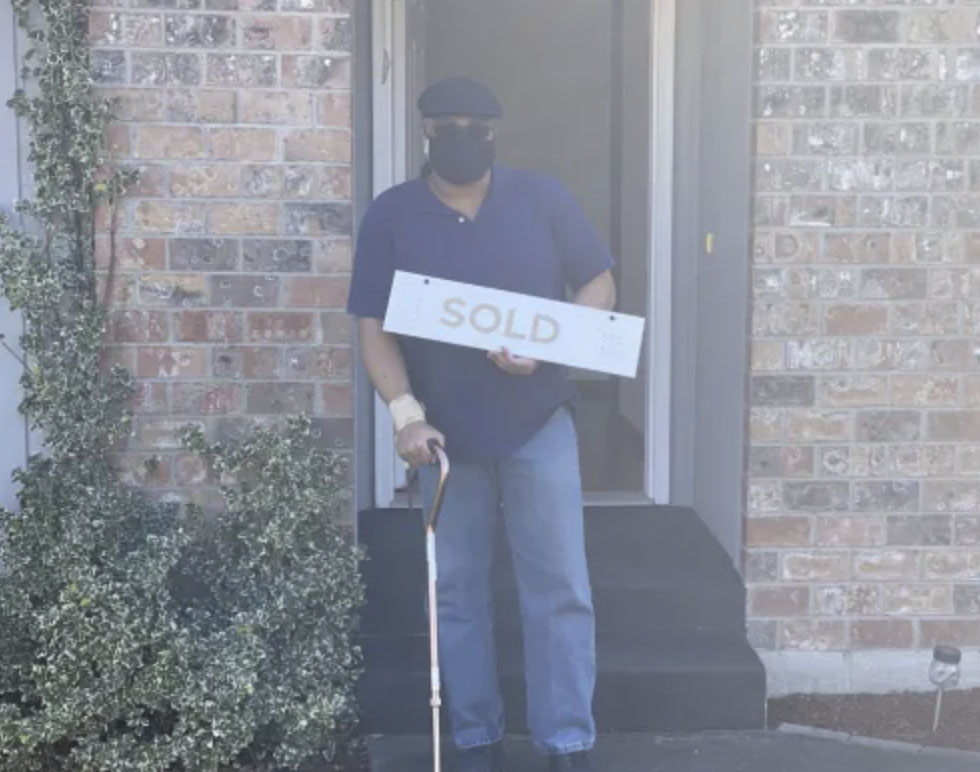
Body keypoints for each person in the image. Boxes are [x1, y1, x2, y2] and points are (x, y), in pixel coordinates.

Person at [347, 75, 616, 772]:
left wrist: (552, 345)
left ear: (494, 134)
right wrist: (405, 417)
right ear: (426, 134)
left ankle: (567, 744)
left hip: (539, 422)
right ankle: (474, 741)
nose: (463, 139)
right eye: (448, 128)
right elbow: (373, 324)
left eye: (477, 127)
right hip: (446, 440)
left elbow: (598, 281)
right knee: (456, 591)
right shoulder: (392, 215)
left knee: (560, 589)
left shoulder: (543, 199)